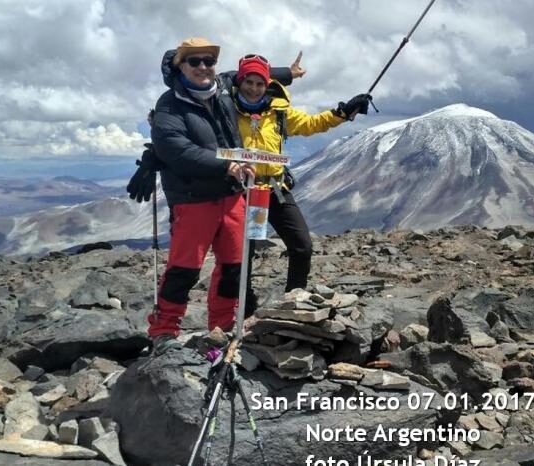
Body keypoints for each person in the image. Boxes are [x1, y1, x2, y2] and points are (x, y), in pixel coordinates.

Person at [146, 37, 257, 354]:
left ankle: (221, 330)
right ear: (180, 65)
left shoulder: (220, 90)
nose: (203, 67)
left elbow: (248, 74)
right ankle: (164, 330)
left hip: (232, 195)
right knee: (184, 268)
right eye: (194, 61)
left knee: (234, 266)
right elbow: (177, 150)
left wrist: (286, 73)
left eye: (209, 61)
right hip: (194, 199)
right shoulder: (169, 105)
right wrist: (226, 165)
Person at [227, 53, 371, 291]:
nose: (254, 89)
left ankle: (294, 301)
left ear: (268, 84)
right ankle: (245, 309)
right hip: (242, 193)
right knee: (243, 255)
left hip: (273, 190)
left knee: (302, 246)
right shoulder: (227, 111)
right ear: (239, 82)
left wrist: (342, 113)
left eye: (260, 83)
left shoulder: (279, 112)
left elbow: (311, 123)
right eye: (248, 82)